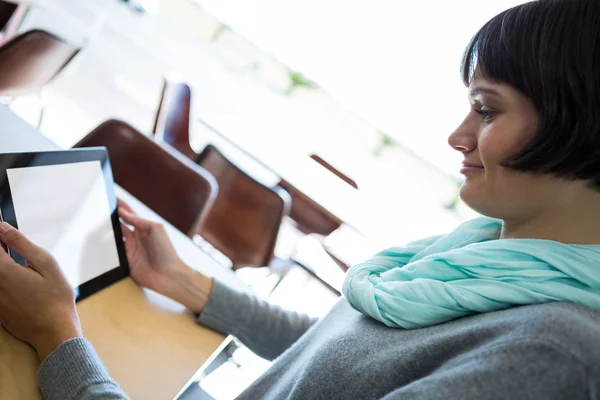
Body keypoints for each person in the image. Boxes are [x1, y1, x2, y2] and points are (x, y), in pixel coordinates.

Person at [1, 0, 600, 398]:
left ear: (582, 127)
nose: (457, 135)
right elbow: (342, 356)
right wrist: (189, 283)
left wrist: (58, 335)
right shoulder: (490, 252)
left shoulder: (550, 357)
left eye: (487, 109)